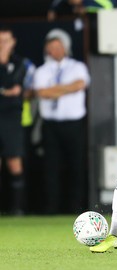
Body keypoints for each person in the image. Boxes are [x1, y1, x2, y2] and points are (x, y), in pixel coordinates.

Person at [33, 28, 90, 214]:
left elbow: (80, 84)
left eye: (59, 47)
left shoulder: (77, 66)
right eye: (52, 47)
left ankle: (76, 208)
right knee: (51, 168)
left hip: (74, 125)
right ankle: (51, 209)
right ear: (47, 50)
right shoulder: (41, 70)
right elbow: (42, 93)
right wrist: (67, 88)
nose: (55, 51)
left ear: (65, 48)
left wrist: (55, 90)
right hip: (51, 126)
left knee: (76, 166)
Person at [0, 26, 27, 215]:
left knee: (14, 162)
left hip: (11, 118)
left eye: (5, 41)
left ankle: (17, 209)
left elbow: (15, 88)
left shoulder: (19, 63)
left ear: (13, 42)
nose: (2, 44)